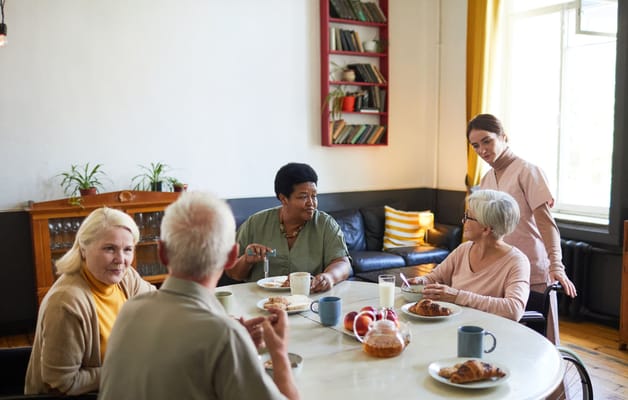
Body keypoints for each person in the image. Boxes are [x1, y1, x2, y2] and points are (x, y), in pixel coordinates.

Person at [99, 192, 299, 400]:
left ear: (162, 253)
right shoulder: (224, 335)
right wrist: (279, 354)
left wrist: (239, 346)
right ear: (232, 256)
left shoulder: (129, 310)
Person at [467, 114, 577, 340]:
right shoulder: (487, 179)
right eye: (475, 145)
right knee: (505, 337)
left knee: (541, 340)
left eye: (487, 141)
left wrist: (556, 264)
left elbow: (547, 224)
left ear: (503, 137)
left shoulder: (528, 171)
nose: (482, 150)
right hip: (500, 268)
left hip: (532, 267)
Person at [24, 207, 155, 395]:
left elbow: (158, 302)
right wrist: (124, 370)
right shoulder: (66, 303)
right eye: (109, 248)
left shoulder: (126, 278)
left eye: (128, 250)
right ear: (83, 249)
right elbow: (61, 383)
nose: (121, 260)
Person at [226, 162, 352, 292]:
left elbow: (342, 263)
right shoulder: (255, 223)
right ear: (283, 198)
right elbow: (233, 273)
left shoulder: (325, 224)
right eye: (303, 196)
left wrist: (329, 277)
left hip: (309, 300)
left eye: (314, 196)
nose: (311, 203)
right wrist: (247, 260)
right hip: (260, 301)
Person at [409, 189, 530, 321]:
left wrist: (457, 296)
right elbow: (435, 278)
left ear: (486, 228)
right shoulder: (464, 249)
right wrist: (422, 281)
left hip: (489, 333)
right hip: (453, 325)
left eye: (468, 217)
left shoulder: (517, 262)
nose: (463, 221)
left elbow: (514, 309)